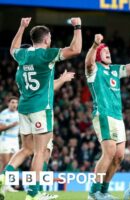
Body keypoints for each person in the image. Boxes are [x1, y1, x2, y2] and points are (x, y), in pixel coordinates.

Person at [0, 17, 82, 200]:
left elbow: (13, 48)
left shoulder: (23, 55)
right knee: (41, 151)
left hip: (24, 108)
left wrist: (21, 27)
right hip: (40, 109)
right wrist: (77, 26)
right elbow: (76, 49)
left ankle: (3, 177)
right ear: (47, 40)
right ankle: (33, 193)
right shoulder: (47, 54)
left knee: (26, 149)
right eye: (50, 38)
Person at [85, 34, 130, 200]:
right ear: (98, 55)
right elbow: (88, 62)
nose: (108, 52)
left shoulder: (115, 70)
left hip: (117, 116)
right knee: (109, 151)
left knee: (119, 156)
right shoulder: (94, 70)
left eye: (108, 50)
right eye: (104, 51)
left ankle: (103, 191)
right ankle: (94, 192)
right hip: (103, 114)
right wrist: (95, 45)